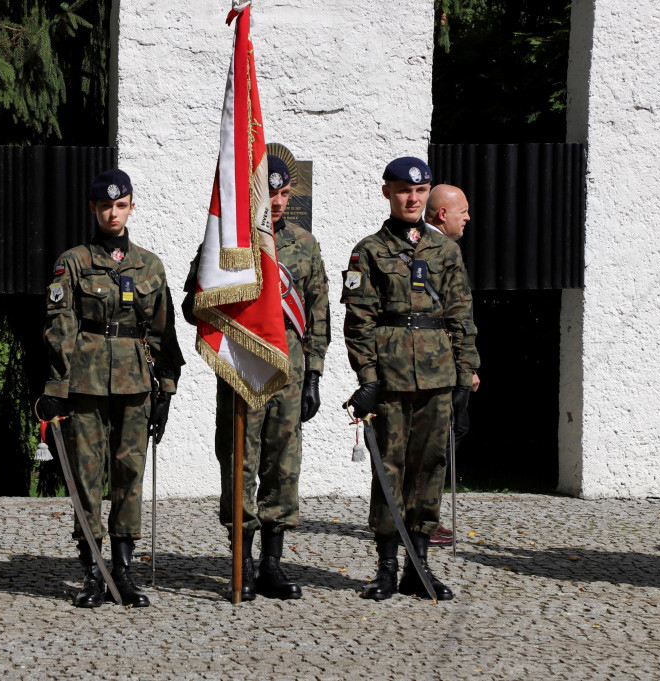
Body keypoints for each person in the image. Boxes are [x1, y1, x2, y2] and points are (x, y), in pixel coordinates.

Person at [182, 154, 330, 601]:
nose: (279, 202)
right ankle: (241, 561)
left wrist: (316, 375)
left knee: (283, 466)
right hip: (242, 366)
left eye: (286, 194)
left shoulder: (305, 244)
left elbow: (319, 311)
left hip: (289, 369)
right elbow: (194, 305)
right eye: (272, 192)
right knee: (240, 463)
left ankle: (271, 564)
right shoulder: (228, 242)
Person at [37, 169, 184, 609]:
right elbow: (59, 327)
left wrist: (167, 389)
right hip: (84, 384)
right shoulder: (74, 262)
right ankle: (92, 571)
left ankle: (123, 569)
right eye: (105, 205)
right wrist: (56, 386)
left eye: (120, 205)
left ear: (131, 206)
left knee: (129, 476)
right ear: (93, 209)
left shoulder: (149, 266)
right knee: (86, 478)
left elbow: (162, 332)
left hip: (135, 386)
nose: (112, 213)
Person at [341, 157, 479, 601]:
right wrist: (367, 376)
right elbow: (359, 320)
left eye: (420, 191)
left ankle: (418, 567)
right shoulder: (369, 251)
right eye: (403, 190)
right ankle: (385, 567)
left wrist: (465, 374)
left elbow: (461, 314)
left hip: (438, 375)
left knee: (429, 467)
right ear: (387, 192)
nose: (412, 198)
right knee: (390, 470)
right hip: (391, 376)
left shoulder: (446, 251)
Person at [424, 183, 480, 546]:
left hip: (441, 363)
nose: (468, 218)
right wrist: (466, 367)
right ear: (443, 215)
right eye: (463, 212)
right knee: (439, 441)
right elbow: (455, 315)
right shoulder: (439, 250)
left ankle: (419, 517)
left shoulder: (439, 248)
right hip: (439, 365)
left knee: (444, 437)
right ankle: (422, 520)